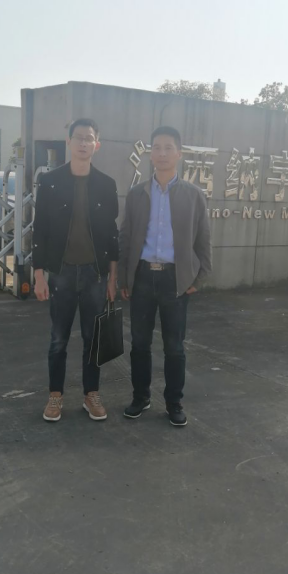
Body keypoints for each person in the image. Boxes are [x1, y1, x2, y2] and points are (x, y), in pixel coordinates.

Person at [119, 126, 212, 426]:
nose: (161, 153)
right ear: (150, 154)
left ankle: (174, 403)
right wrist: (123, 278)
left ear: (179, 153)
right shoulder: (137, 194)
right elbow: (125, 237)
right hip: (142, 278)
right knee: (139, 344)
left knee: (174, 347)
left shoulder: (193, 195)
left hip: (176, 280)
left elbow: (203, 239)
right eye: (156, 148)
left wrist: (199, 278)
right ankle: (140, 397)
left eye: (168, 148)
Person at [32, 118, 119, 422]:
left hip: (95, 275)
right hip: (62, 273)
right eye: (78, 137)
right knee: (59, 339)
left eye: (89, 138)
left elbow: (111, 235)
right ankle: (55, 396)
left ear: (97, 144)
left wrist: (112, 278)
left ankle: (91, 394)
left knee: (93, 339)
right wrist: (39, 274)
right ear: (68, 142)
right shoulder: (50, 181)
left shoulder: (106, 184)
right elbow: (40, 229)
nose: (83, 143)